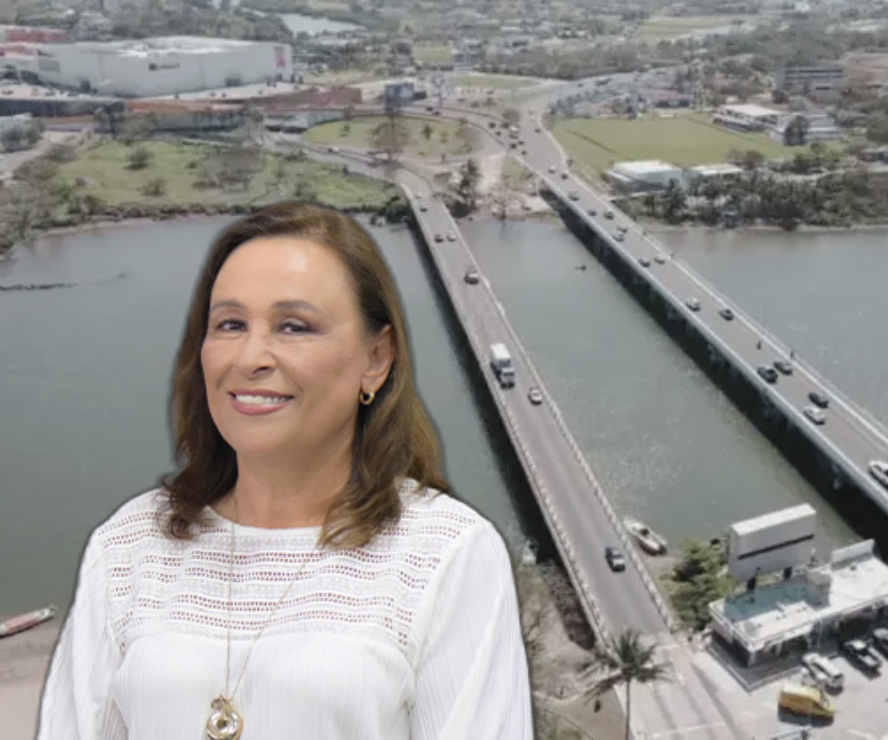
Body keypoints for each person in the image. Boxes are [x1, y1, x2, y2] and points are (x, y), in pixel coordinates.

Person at [38, 202, 533, 740]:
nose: (250, 356)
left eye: (294, 327)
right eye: (230, 324)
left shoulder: (446, 555)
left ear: (376, 358)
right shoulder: (129, 545)